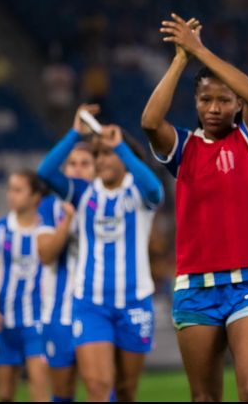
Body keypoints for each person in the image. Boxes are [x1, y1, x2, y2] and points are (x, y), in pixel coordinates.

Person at [142, 13, 248, 401]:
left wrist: (200, 50)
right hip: (195, 287)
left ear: (237, 105)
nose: (215, 108)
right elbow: (151, 121)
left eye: (225, 100)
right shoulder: (184, 148)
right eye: (206, 99)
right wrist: (180, 60)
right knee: (204, 397)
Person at [38, 107, 164, 402]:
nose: (102, 160)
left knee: (125, 391)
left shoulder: (139, 194)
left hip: (135, 302)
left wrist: (120, 145)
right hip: (90, 305)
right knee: (98, 387)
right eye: (100, 155)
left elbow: (156, 190)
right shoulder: (83, 192)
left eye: (108, 154)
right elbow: (45, 172)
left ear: (124, 158)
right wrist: (74, 134)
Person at [0, 170, 53, 401]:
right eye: (10, 189)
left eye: (18, 190)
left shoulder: (47, 230)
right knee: (4, 394)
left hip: (37, 319)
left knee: (39, 388)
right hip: (4, 319)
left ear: (35, 197)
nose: (11, 195)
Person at [37, 142, 95, 402]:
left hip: (97, 310)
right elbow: (46, 255)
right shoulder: (49, 206)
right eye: (72, 164)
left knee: (102, 387)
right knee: (62, 393)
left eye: (85, 164)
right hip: (59, 313)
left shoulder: (106, 203)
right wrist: (67, 221)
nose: (78, 169)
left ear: (96, 169)